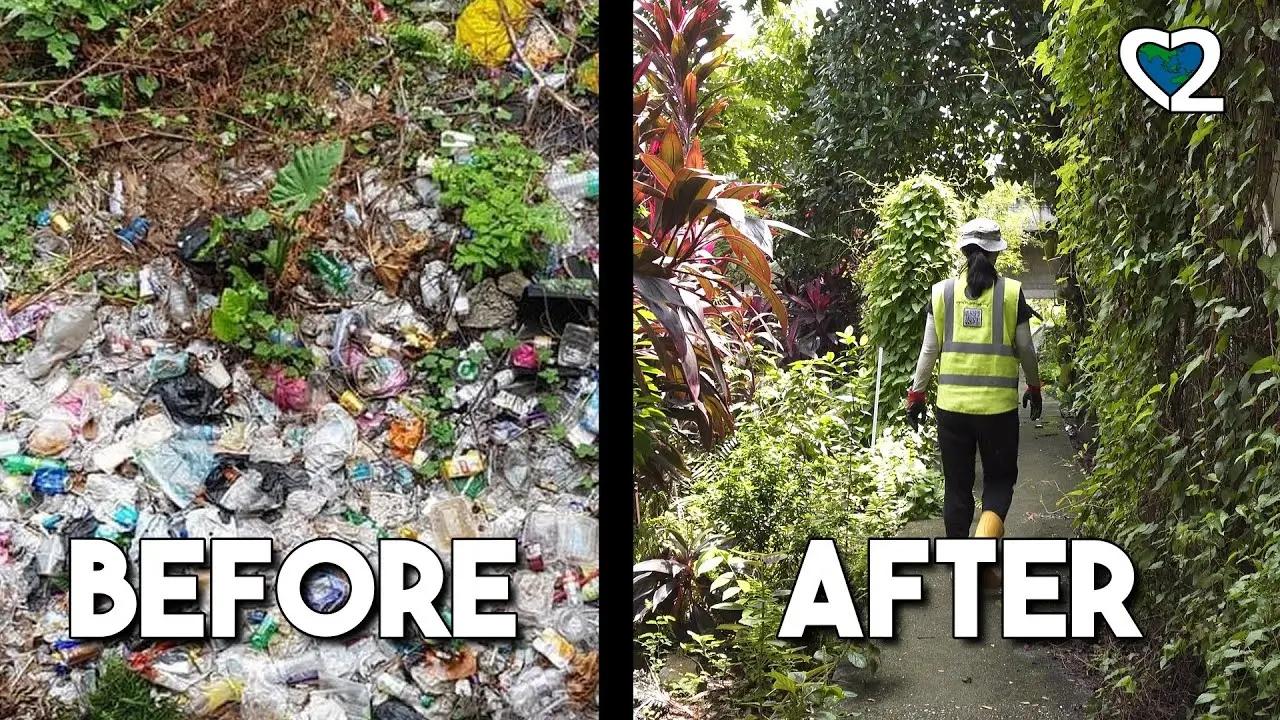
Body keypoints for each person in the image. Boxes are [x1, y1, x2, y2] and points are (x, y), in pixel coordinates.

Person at [905, 218, 1042, 556]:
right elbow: (1025, 346)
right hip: (998, 411)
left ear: (964, 250)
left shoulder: (942, 293)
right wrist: (1035, 387)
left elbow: (928, 350)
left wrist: (917, 395)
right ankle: (984, 548)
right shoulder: (1011, 292)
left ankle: (961, 563)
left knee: (957, 487)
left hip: (951, 410)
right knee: (997, 483)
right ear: (996, 253)